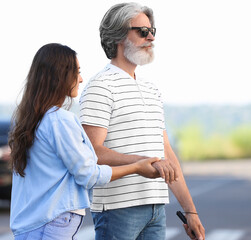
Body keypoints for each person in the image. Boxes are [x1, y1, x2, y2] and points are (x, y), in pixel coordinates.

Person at [8, 43, 162, 240]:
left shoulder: (31, 119)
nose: (80, 79)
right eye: (76, 72)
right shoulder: (59, 120)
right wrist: (136, 167)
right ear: (60, 75)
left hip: (31, 226)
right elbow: (89, 175)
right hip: (50, 225)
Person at [79, 2, 205, 240]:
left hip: (156, 209)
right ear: (118, 35)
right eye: (142, 31)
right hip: (117, 210)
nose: (151, 37)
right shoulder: (100, 86)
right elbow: (90, 152)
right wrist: (142, 162)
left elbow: (166, 154)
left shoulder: (152, 90)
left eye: (152, 31)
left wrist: (190, 210)